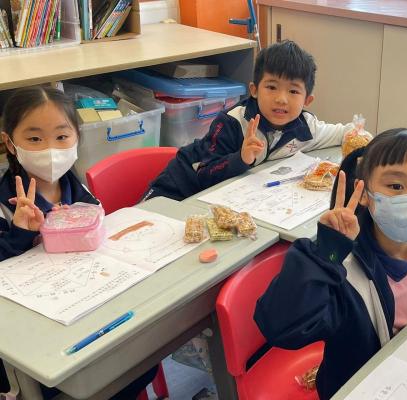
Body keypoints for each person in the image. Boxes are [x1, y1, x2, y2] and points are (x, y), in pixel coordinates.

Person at [254, 129, 407, 399]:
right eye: (395, 186)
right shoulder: (344, 271)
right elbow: (283, 329)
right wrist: (325, 255)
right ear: (364, 192)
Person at [0, 86, 156, 400]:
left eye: (61, 136)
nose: (50, 149)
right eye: (34, 139)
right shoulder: (6, 204)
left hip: (83, 307)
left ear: (76, 138)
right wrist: (20, 233)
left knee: (141, 363)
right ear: (10, 143)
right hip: (31, 333)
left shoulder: (79, 190)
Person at [144, 40, 367, 201]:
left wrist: (361, 138)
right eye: (271, 87)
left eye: (293, 91)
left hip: (219, 200)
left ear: (307, 100)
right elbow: (203, 174)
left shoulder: (306, 128)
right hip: (178, 188)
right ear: (254, 90)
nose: (281, 99)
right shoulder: (232, 123)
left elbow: (346, 133)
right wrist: (240, 158)